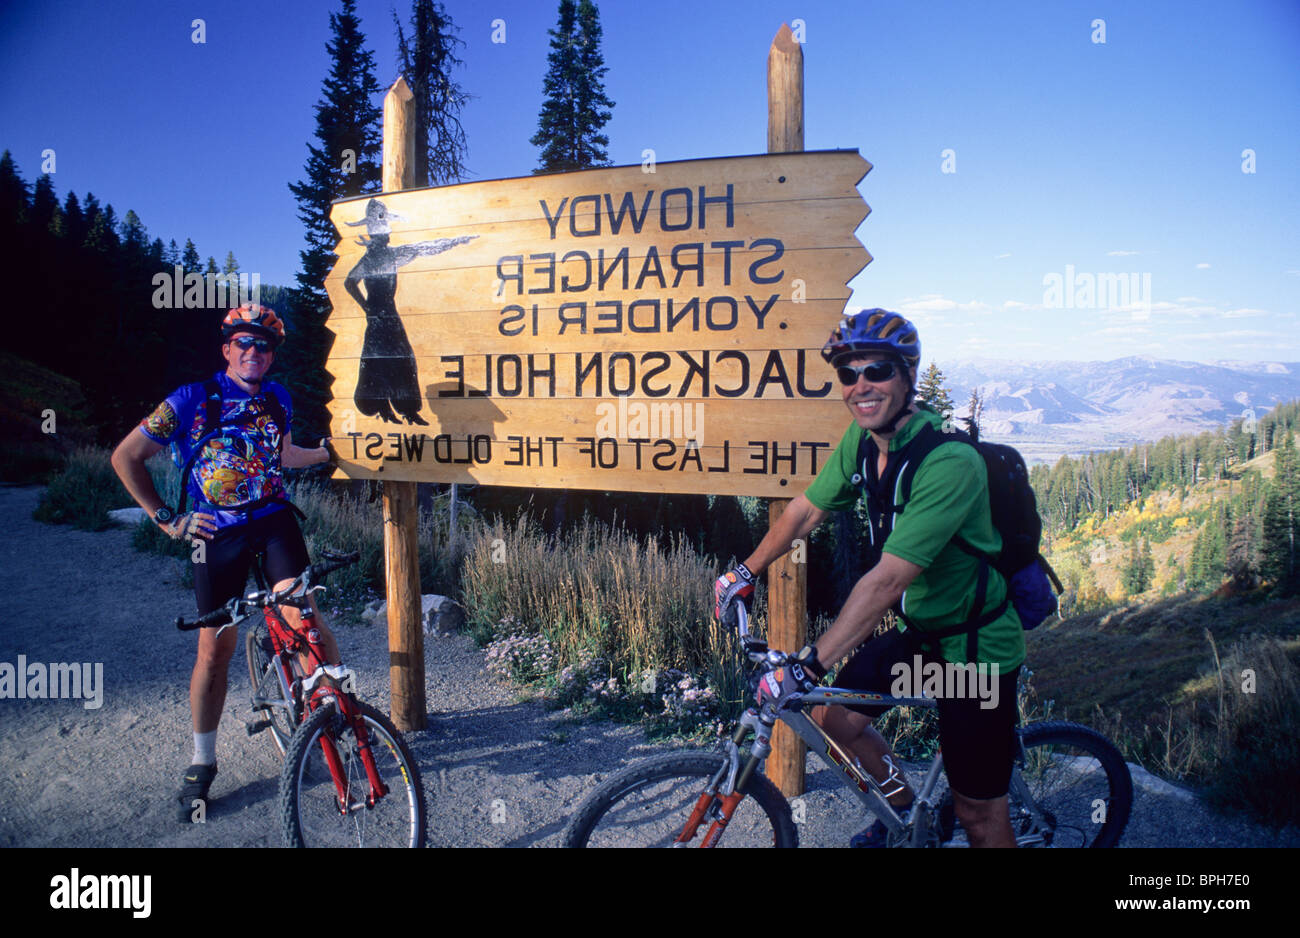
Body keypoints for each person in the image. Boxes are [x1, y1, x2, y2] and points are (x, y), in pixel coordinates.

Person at [714, 309, 1025, 848]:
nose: (861, 386)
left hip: (976, 653)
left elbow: (886, 582)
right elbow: (805, 512)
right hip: (925, 635)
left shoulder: (948, 463)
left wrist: (810, 664)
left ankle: (969, 820)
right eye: (848, 374)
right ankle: (905, 817)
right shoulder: (863, 445)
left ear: (907, 376)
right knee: (837, 720)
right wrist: (743, 573)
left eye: (877, 371)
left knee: (979, 812)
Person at [111, 303, 340, 822]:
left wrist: (327, 454)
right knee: (215, 651)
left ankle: (330, 714)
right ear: (227, 350)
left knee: (300, 616)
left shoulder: (277, 397)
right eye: (244, 343)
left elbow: (282, 456)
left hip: (274, 520)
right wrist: (168, 519)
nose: (254, 352)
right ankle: (202, 760)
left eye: (264, 345)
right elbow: (126, 456)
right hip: (215, 534)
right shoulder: (190, 399)